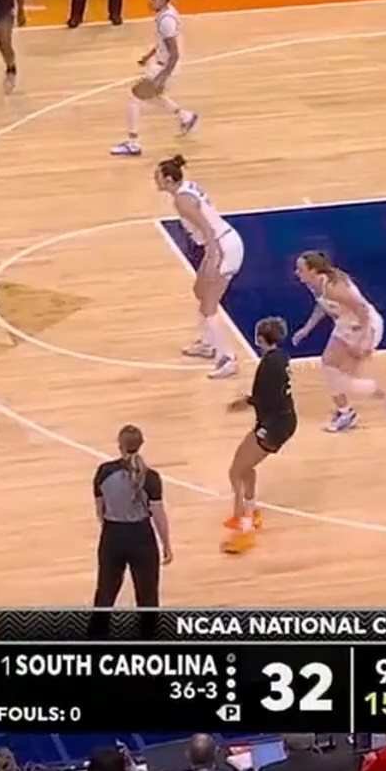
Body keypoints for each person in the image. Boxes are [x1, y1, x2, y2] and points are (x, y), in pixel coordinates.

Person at [292, 250, 386, 432]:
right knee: (330, 368)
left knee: (341, 378)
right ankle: (346, 412)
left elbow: (362, 310)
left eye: (301, 269)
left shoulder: (334, 287)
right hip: (346, 323)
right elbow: (322, 305)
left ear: (313, 271)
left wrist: (364, 341)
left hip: (364, 326)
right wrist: (307, 328)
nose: (297, 273)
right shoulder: (315, 284)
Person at [157, 155, 243, 379]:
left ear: (168, 179)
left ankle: (228, 359)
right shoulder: (187, 188)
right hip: (219, 243)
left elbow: (207, 230)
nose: (155, 180)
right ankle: (207, 343)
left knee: (209, 305)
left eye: (157, 176)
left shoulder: (182, 200)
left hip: (223, 246)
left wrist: (214, 258)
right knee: (200, 291)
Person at [222, 315, 297, 553]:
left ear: (261, 339)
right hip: (281, 421)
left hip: (273, 425)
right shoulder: (281, 357)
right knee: (246, 467)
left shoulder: (267, 365)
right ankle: (251, 511)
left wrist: (241, 402)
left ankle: (243, 531)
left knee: (235, 472)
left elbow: (261, 397)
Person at [112, 0, 199, 155]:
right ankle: (185, 116)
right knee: (153, 97)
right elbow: (163, 42)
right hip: (162, 64)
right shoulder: (167, 13)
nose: (149, 1)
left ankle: (133, 143)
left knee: (135, 96)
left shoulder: (166, 21)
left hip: (165, 66)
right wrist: (148, 56)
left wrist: (162, 77)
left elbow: (174, 54)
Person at [92, 424, 172, 606]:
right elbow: (159, 515)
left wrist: (110, 529)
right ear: (141, 444)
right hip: (141, 537)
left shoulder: (104, 472)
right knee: (148, 598)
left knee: (105, 594)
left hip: (113, 534)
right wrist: (166, 544)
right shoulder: (150, 477)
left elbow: (100, 509)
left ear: (119, 445)